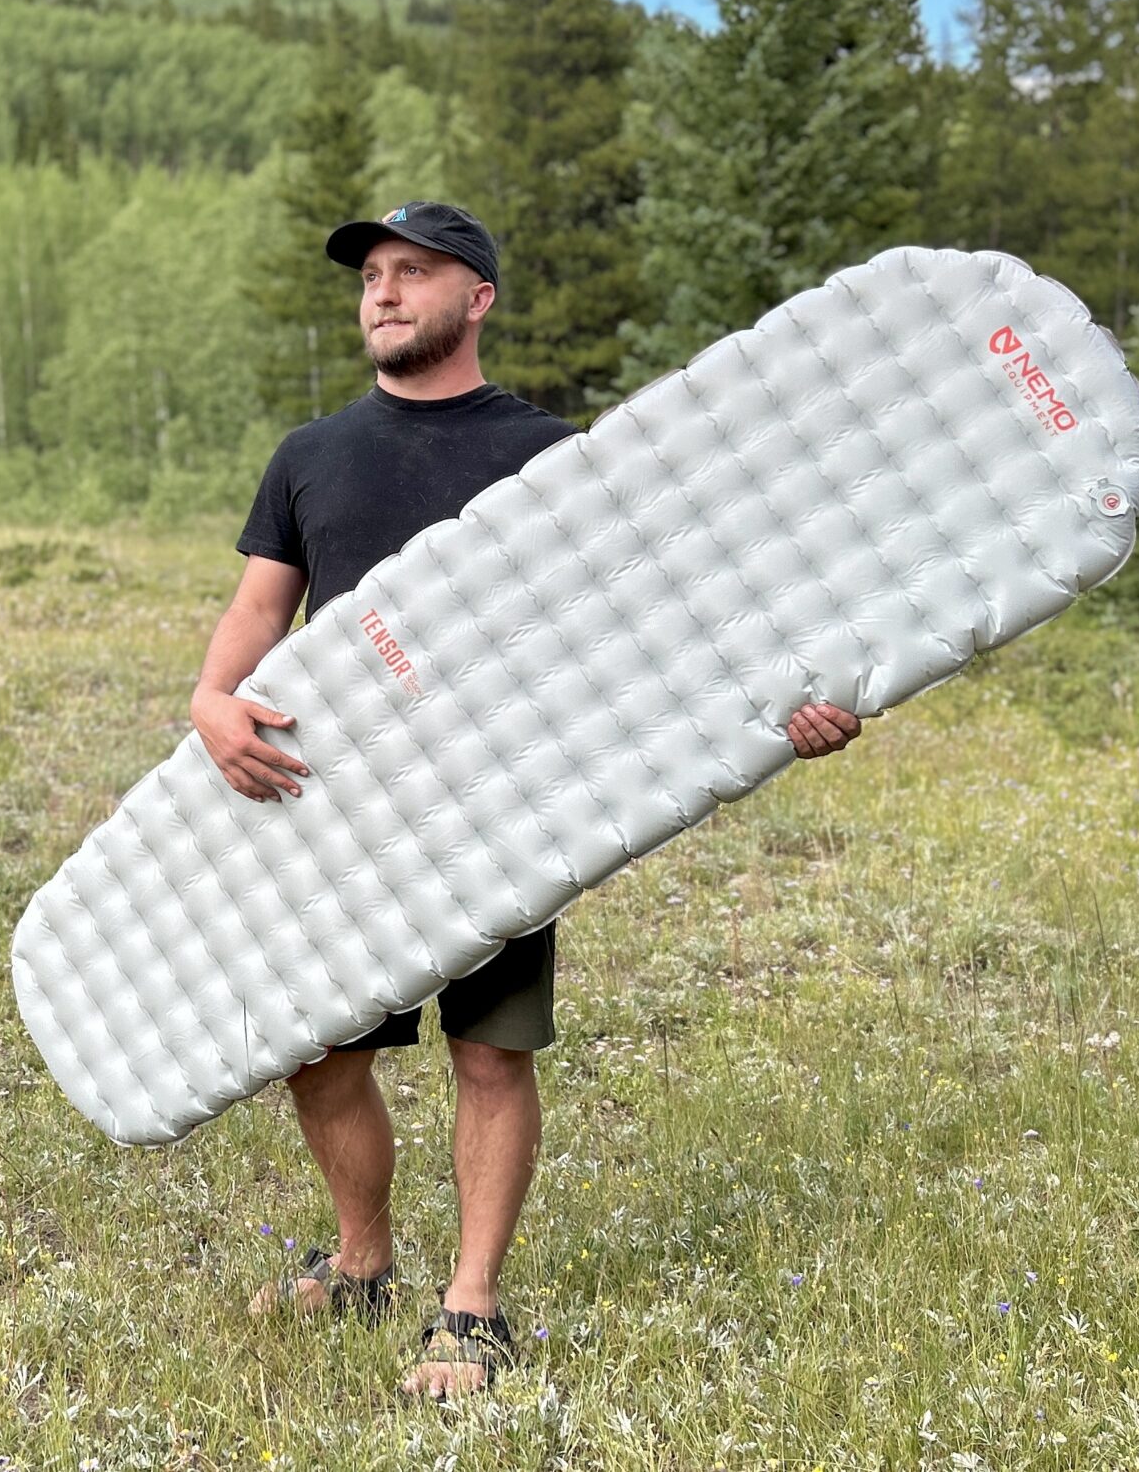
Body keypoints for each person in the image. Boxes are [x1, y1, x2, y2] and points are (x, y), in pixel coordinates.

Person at [191, 200, 864, 1400]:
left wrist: (785, 714)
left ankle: (472, 1308)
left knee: (489, 1056)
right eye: (373, 277)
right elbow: (259, 608)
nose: (384, 294)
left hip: (502, 806)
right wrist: (210, 698)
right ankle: (361, 1264)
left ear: (477, 298)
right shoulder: (310, 454)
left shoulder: (554, 455)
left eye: (414, 273)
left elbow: (663, 622)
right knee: (317, 1053)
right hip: (342, 802)